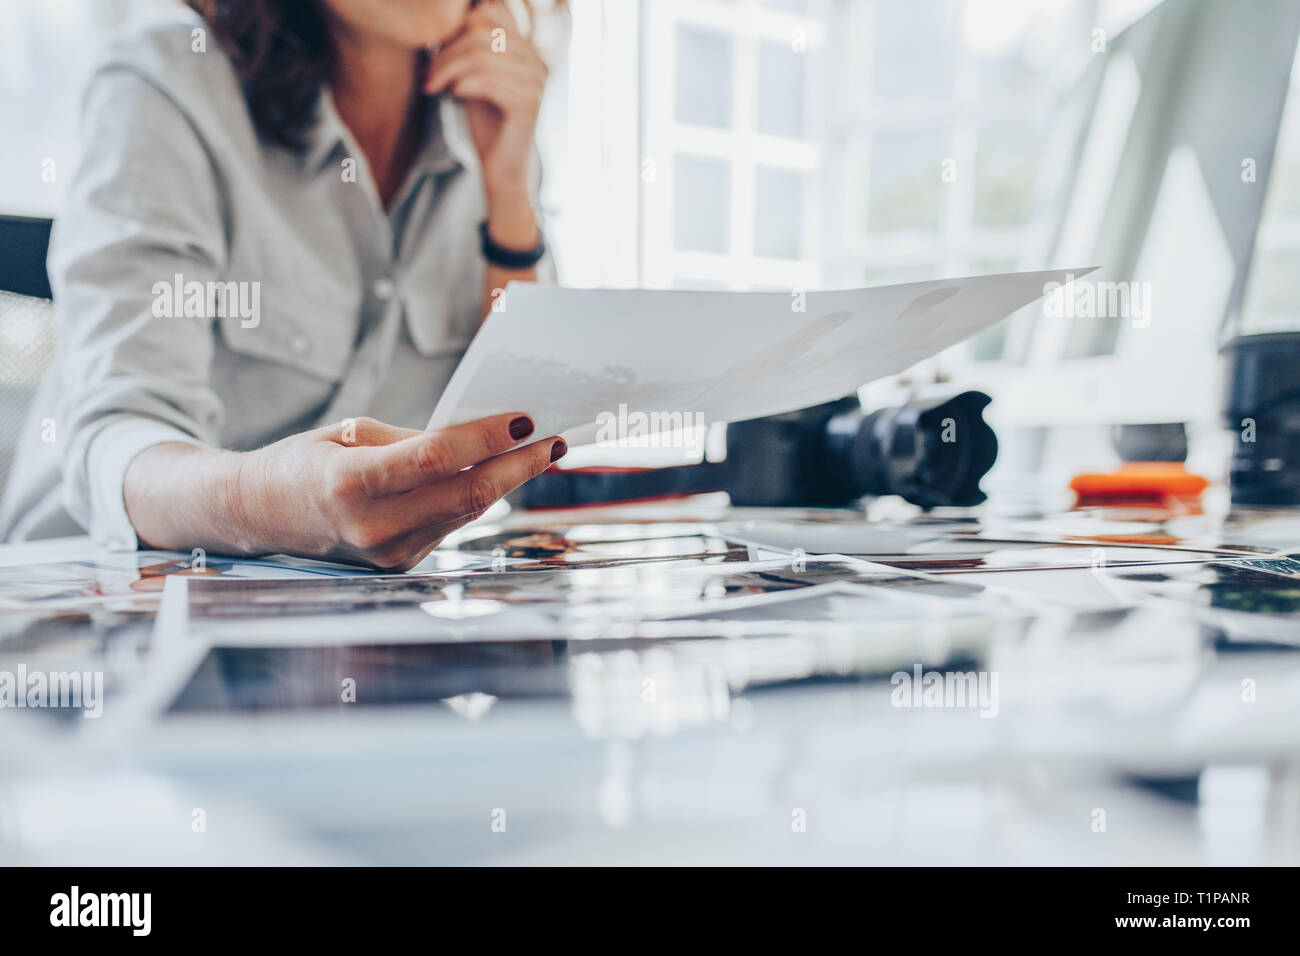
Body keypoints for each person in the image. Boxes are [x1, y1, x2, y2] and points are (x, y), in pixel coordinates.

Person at [0, 0, 567, 570]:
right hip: (98, 593)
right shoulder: (166, 83)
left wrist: (510, 190)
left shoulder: (487, 117)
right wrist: (265, 502)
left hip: (336, 609)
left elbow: (526, 436)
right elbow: (120, 441)